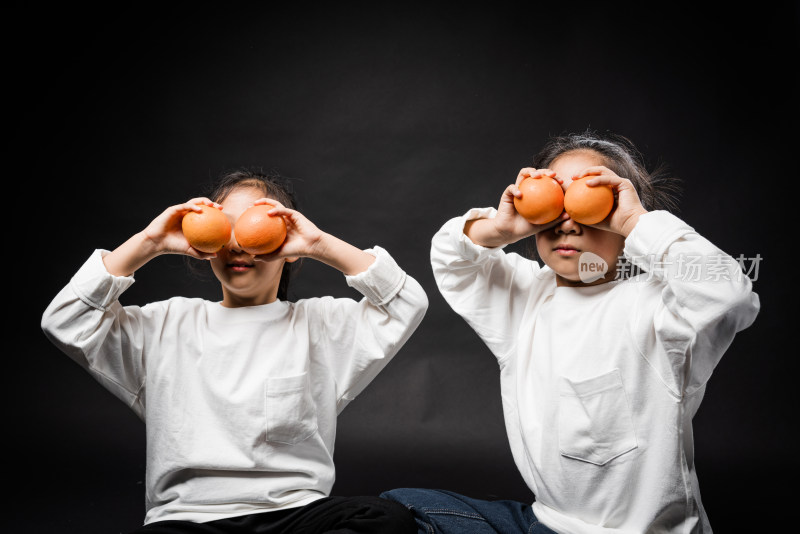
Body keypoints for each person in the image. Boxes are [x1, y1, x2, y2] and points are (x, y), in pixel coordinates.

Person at [381, 131, 760, 533]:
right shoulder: (525, 299)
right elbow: (450, 256)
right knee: (394, 512)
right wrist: (500, 229)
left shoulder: (655, 309)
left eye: (590, 199)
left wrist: (636, 222)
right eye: (555, 199)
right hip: (544, 522)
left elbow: (728, 295)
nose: (568, 222)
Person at [41, 168, 428, 534]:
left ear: (286, 238)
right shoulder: (165, 325)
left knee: (385, 519)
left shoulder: (321, 326)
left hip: (293, 516)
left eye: (254, 224)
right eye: (226, 226)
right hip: (186, 518)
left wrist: (317, 244)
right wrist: (150, 242)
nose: (238, 244)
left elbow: (407, 303)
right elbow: (64, 320)